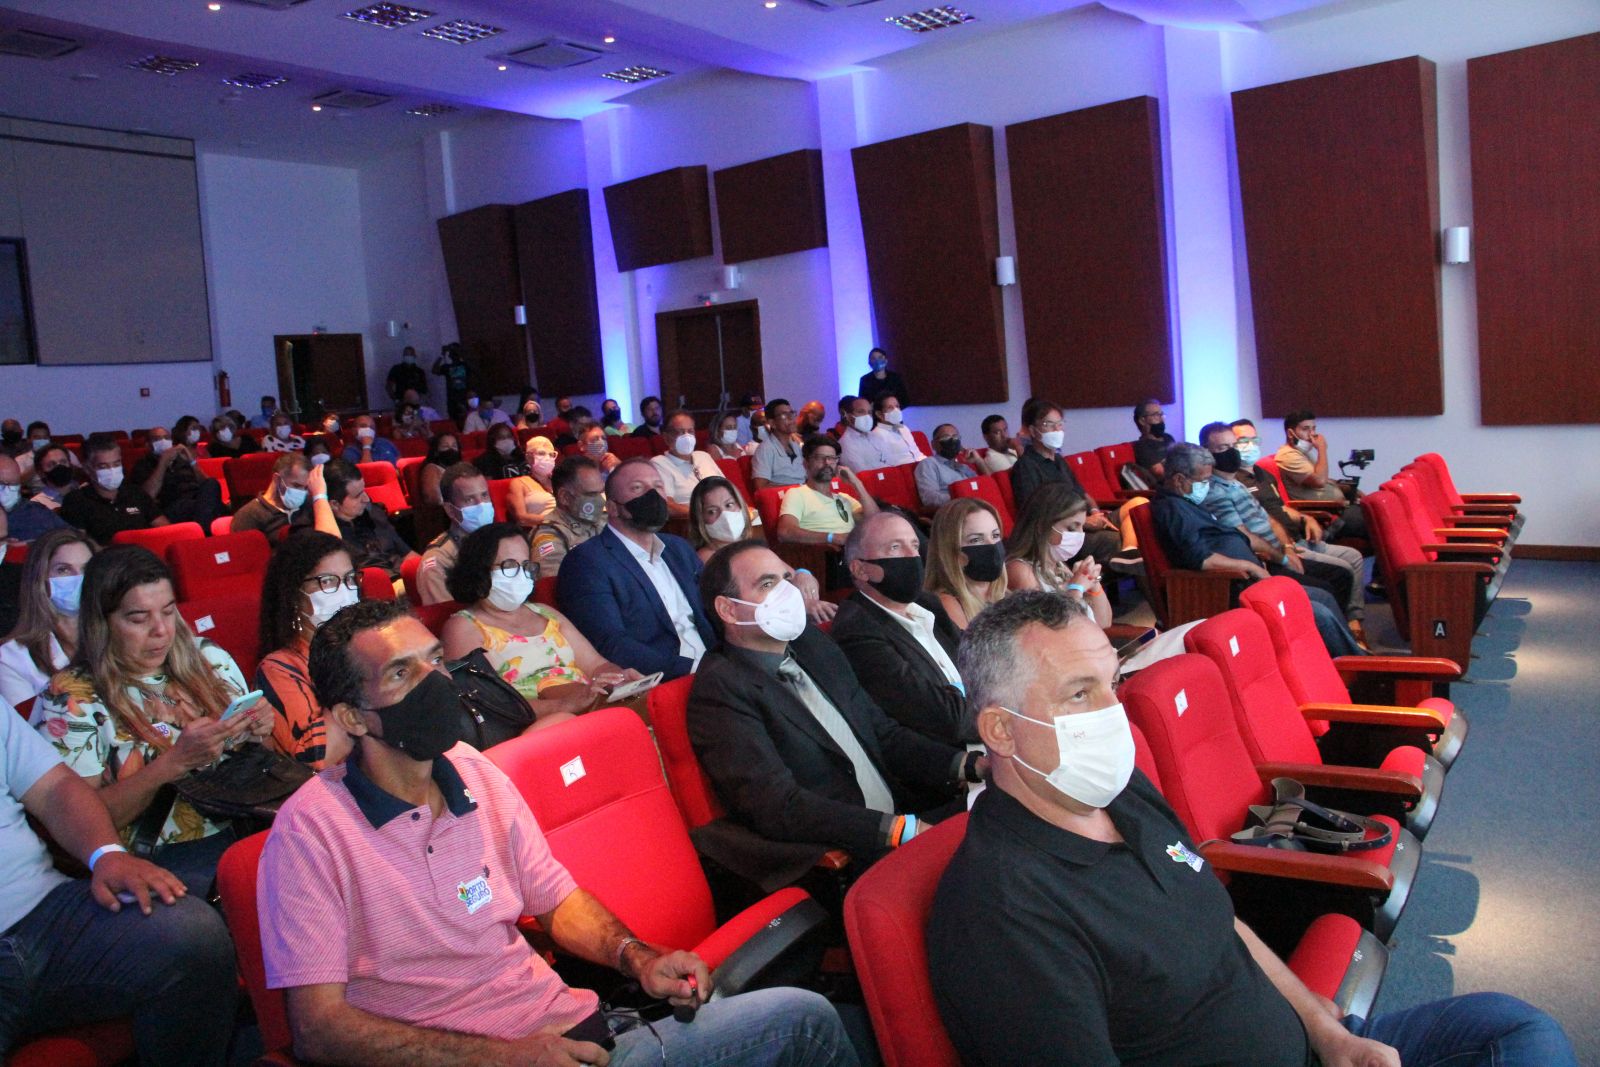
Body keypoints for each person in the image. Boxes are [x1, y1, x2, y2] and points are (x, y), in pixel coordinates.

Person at [929, 591, 1576, 1067]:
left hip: (1310, 1042)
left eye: (1114, 682)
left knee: (1514, 1027)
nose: (1113, 713)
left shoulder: (1118, 791)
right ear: (1001, 730)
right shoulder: (1002, 913)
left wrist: (1326, 1030)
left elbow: (1220, 920)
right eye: (1079, 694)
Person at [261, 597, 856, 1067]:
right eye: (401, 672)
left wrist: (637, 958)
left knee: (804, 1019)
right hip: (481, 1060)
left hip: (580, 1034)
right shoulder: (311, 832)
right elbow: (319, 1029)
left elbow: (557, 900)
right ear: (351, 717)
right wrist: (506, 1059)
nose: (434, 680)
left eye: (434, 659)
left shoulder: (473, 770)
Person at [688, 541, 981, 882]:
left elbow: (883, 734)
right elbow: (778, 805)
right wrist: (899, 830)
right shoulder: (721, 690)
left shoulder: (813, 645)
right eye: (767, 584)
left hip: (903, 815)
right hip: (849, 851)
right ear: (728, 609)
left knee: (1007, 808)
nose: (787, 592)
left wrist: (970, 765)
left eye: (787, 578)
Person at [0, 689, 238, 1066]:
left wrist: (107, 854)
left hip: (43, 910)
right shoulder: (71, 692)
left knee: (193, 933)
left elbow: (54, 788)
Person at [33, 545, 273, 889]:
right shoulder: (72, 697)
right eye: (138, 618)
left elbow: (257, 757)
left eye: (169, 611)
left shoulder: (208, 657)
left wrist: (259, 728)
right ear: (102, 622)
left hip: (246, 821)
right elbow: (76, 827)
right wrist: (173, 763)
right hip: (159, 854)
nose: (161, 630)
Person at [1152, 443, 1364, 657]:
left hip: (1250, 578)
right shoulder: (1173, 510)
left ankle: (1351, 658)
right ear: (1179, 479)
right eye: (1203, 481)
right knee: (1318, 612)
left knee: (1323, 596)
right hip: (1227, 586)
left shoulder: (1188, 502)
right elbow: (1200, 559)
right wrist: (1249, 566)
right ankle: (1355, 664)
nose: (1207, 486)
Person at [442, 522, 641, 727]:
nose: (521, 575)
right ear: (479, 570)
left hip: (589, 704)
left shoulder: (545, 612)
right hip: (540, 726)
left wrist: (618, 680)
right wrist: (565, 705)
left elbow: (595, 665)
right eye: (509, 566)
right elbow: (489, 704)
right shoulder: (463, 627)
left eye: (526, 565)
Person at [556, 458, 713, 680]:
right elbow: (611, 643)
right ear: (612, 507)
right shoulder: (586, 562)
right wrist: (697, 670)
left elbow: (713, 609)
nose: (653, 495)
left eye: (658, 486)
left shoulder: (679, 548)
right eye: (637, 488)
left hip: (717, 664)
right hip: (669, 679)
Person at [1200, 422, 1364, 628]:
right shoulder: (1214, 491)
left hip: (1284, 548)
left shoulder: (1237, 483)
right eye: (1223, 448)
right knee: (1328, 586)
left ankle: (1341, 634)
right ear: (1207, 453)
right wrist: (1283, 557)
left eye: (1233, 446)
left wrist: (1287, 547)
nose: (1232, 452)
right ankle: (1331, 639)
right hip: (1266, 560)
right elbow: (1243, 535)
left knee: (1341, 574)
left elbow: (1269, 518)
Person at [831, 513, 969, 745]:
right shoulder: (857, 632)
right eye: (895, 548)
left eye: (914, 545)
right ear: (860, 569)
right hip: (953, 755)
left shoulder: (927, 603)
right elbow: (947, 718)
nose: (912, 556)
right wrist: (1004, 703)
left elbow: (982, 662)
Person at [255, 530, 360, 770]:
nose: (344, 591)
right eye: (327, 581)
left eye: (350, 579)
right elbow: (317, 758)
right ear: (294, 595)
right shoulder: (279, 668)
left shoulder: (371, 644)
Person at [1007, 398, 1121, 567]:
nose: (1057, 430)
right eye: (1048, 424)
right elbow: (1037, 514)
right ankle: (1094, 578)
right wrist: (1084, 523)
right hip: (1060, 534)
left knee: (1135, 511)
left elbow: (1082, 493)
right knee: (1112, 539)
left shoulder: (1060, 460)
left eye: (1060, 424)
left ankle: (1128, 560)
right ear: (1032, 430)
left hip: (1084, 520)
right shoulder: (1025, 467)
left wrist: (1095, 512)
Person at [0, 529, 91, 711]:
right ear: (40, 578)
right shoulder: (11, 657)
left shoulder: (121, 635)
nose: (78, 578)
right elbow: (28, 724)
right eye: (63, 570)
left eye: (86, 569)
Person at [1005, 484, 1114, 630]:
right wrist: (1076, 589)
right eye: (1072, 527)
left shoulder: (1059, 565)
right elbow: (1053, 631)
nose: (1080, 534)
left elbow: (1104, 623)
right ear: (1042, 526)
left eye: (1082, 526)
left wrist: (1094, 584)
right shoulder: (1020, 570)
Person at [307, 460, 418, 581]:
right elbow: (329, 546)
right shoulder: (320, 531)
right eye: (357, 496)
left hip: (403, 579)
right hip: (372, 586)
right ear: (334, 504)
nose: (366, 499)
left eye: (364, 491)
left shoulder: (373, 513)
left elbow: (408, 554)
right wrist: (319, 496)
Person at [1274, 410, 1369, 539]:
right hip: (1326, 516)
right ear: (1291, 433)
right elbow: (1319, 481)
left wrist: (1350, 489)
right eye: (1306, 429)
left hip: (1338, 509)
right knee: (1377, 520)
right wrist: (1322, 449)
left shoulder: (1302, 452)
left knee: (1376, 511)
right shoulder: (1288, 456)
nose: (1312, 434)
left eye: (1313, 428)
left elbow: (1323, 479)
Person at [777, 435, 880, 551]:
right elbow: (785, 532)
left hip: (857, 550)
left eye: (832, 458)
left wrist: (857, 484)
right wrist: (832, 537)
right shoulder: (797, 494)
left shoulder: (844, 498)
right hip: (828, 555)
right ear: (806, 464)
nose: (827, 463)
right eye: (820, 458)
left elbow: (876, 521)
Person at [60, 435, 164, 546]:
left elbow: (163, 527)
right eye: (103, 466)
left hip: (145, 552)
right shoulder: (76, 501)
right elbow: (77, 545)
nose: (112, 471)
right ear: (87, 469)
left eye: (116, 464)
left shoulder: (135, 492)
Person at [417, 463, 495, 606]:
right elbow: (444, 614)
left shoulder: (502, 541)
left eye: (484, 495)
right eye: (469, 499)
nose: (481, 505)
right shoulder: (439, 560)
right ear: (450, 510)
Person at [924, 497, 1007, 630]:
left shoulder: (1005, 594)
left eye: (995, 535)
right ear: (950, 550)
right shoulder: (947, 603)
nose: (992, 545)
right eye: (976, 540)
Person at [130, 424, 226, 531]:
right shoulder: (143, 464)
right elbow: (147, 496)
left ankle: (202, 527)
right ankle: (204, 529)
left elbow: (205, 482)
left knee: (212, 483)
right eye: (157, 439)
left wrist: (191, 460)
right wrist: (163, 462)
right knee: (214, 508)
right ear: (148, 445)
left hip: (198, 500)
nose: (163, 441)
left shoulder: (181, 460)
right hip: (172, 506)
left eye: (166, 438)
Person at [532, 457, 607, 580]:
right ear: (565, 497)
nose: (600, 500)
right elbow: (554, 583)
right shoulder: (551, 535)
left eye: (601, 492)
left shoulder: (608, 521)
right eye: (592, 494)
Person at [651, 410, 721, 516]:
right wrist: (703, 515)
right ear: (666, 437)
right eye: (680, 432)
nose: (687, 437)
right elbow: (667, 505)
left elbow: (728, 490)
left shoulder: (703, 456)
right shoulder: (659, 464)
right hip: (694, 520)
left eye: (690, 431)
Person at [232, 452, 311, 540]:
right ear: (277, 479)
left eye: (305, 488)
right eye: (296, 486)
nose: (302, 492)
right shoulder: (249, 515)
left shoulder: (308, 506)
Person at [838, 395, 919, 473]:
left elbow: (891, 462)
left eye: (869, 412)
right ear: (847, 416)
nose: (867, 416)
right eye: (861, 412)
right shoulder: (845, 444)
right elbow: (862, 474)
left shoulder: (872, 436)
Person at [0, 453, 68, 544]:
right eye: (1, 484)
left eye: (13, 484)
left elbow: (70, 536)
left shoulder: (37, 512)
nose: (6, 490)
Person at [915, 423, 978, 509]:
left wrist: (978, 461)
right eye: (945, 437)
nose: (952, 441)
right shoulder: (928, 464)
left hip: (975, 506)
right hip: (955, 510)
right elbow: (929, 499)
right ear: (933, 444)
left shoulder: (963, 467)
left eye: (955, 437)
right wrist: (963, 497)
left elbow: (983, 486)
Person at [752, 398, 806, 491]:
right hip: (784, 497)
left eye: (792, 413)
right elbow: (761, 487)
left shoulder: (796, 446)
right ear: (772, 423)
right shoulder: (765, 449)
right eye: (784, 415)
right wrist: (793, 489)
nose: (791, 418)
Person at [507, 436, 558, 530]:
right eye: (541, 453)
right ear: (529, 457)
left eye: (551, 454)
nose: (547, 458)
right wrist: (555, 520)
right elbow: (521, 518)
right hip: (545, 530)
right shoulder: (519, 483)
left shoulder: (559, 480)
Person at [1131, 397, 1176, 478]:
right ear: (1142, 421)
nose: (1161, 419)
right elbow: (1160, 473)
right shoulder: (1141, 447)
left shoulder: (1168, 438)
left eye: (1161, 414)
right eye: (1156, 415)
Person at [417, 431, 461, 510]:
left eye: (454, 446)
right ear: (436, 451)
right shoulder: (431, 469)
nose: (451, 449)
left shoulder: (461, 468)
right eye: (445, 446)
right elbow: (434, 500)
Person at [432, 342, 474, 422]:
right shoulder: (447, 367)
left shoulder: (465, 365)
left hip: (465, 397)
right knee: (453, 421)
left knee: (468, 419)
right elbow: (434, 370)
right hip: (452, 399)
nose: (454, 354)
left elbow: (472, 367)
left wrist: (460, 353)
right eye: (452, 352)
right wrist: (442, 354)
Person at [875, 394, 925, 459]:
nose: (896, 410)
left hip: (921, 462)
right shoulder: (877, 435)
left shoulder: (904, 428)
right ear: (879, 414)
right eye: (890, 407)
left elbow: (917, 454)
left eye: (897, 406)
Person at [29, 445, 78, 509]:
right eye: (51, 464)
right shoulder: (36, 505)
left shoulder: (83, 493)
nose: (60, 467)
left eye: (63, 462)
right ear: (41, 473)